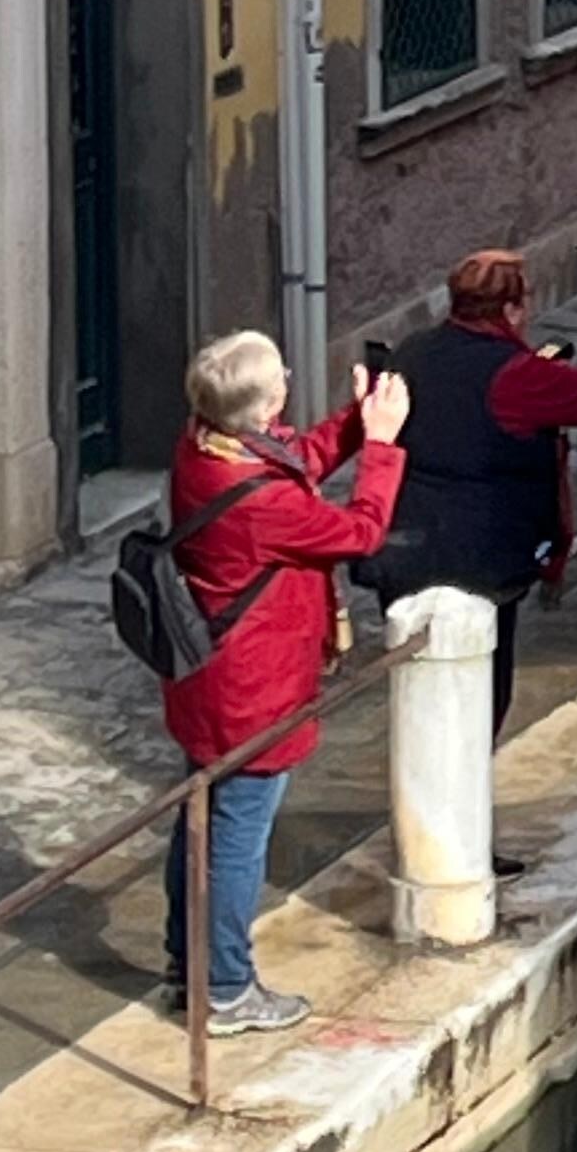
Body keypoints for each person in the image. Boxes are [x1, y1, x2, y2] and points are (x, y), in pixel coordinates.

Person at [159, 330, 409, 1038]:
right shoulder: (255, 500)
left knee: (198, 818)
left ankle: (189, 965)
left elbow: (295, 459)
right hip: (252, 690)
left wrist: (358, 423)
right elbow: (359, 532)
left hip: (208, 679)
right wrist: (385, 447)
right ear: (268, 402)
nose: (290, 378)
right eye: (280, 378)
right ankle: (230, 990)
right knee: (238, 833)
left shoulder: (204, 446)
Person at [360, 250, 577, 733]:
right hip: (475, 559)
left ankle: (425, 795)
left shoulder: (411, 352)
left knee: (418, 687)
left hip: (402, 549)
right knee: (480, 700)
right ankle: (455, 801)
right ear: (510, 309)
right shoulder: (516, 376)